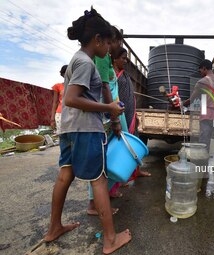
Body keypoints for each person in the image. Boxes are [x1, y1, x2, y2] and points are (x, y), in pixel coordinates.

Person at [43, 7, 131, 254]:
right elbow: (71, 98)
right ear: (98, 40)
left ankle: (54, 228)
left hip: (71, 129)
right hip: (86, 130)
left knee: (65, 174)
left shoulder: (77, 59)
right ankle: (110, 239)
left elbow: (71, 99)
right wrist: (109, 107)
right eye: (108, 43)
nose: (109, 49)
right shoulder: (85, 62)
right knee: (99, 179)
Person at [87, 26, 124, 215]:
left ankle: (101, 199)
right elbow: (104, 88)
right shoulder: (102, 59)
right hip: (103, 116)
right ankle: (94, 205)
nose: (116, 45)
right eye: (115, 42)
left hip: (106, 114)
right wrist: (115, 117)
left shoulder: (107, 60)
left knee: (105, 158)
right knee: (100, 161)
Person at [112, 47, 151, 183]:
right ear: (114, 58)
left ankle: (136, 171)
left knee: (134, 142)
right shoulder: (112, 75)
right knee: (124, 145)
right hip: (121, 114)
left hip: (130, 113)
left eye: (126, 58)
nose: (125, 61)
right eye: (123, 58)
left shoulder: (124, 73)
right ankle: (123, 174)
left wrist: (135, 114)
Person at [183, 59, 214, 168]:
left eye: (200, 71)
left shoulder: (201, 82)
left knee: (204, 144)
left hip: (206, 115)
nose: (200, 73)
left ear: (204, 68)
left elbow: (191, 99)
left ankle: (202, 171)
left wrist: (181, 104)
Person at [50, 65, 67, 134]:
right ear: (63, 74)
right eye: (66, 72)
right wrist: (52, 119)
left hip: (73, 114)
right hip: (60, 114)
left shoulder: (76, 86)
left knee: (74, 136)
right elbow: (55, 102)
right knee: (63, 136)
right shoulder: (58, 86)